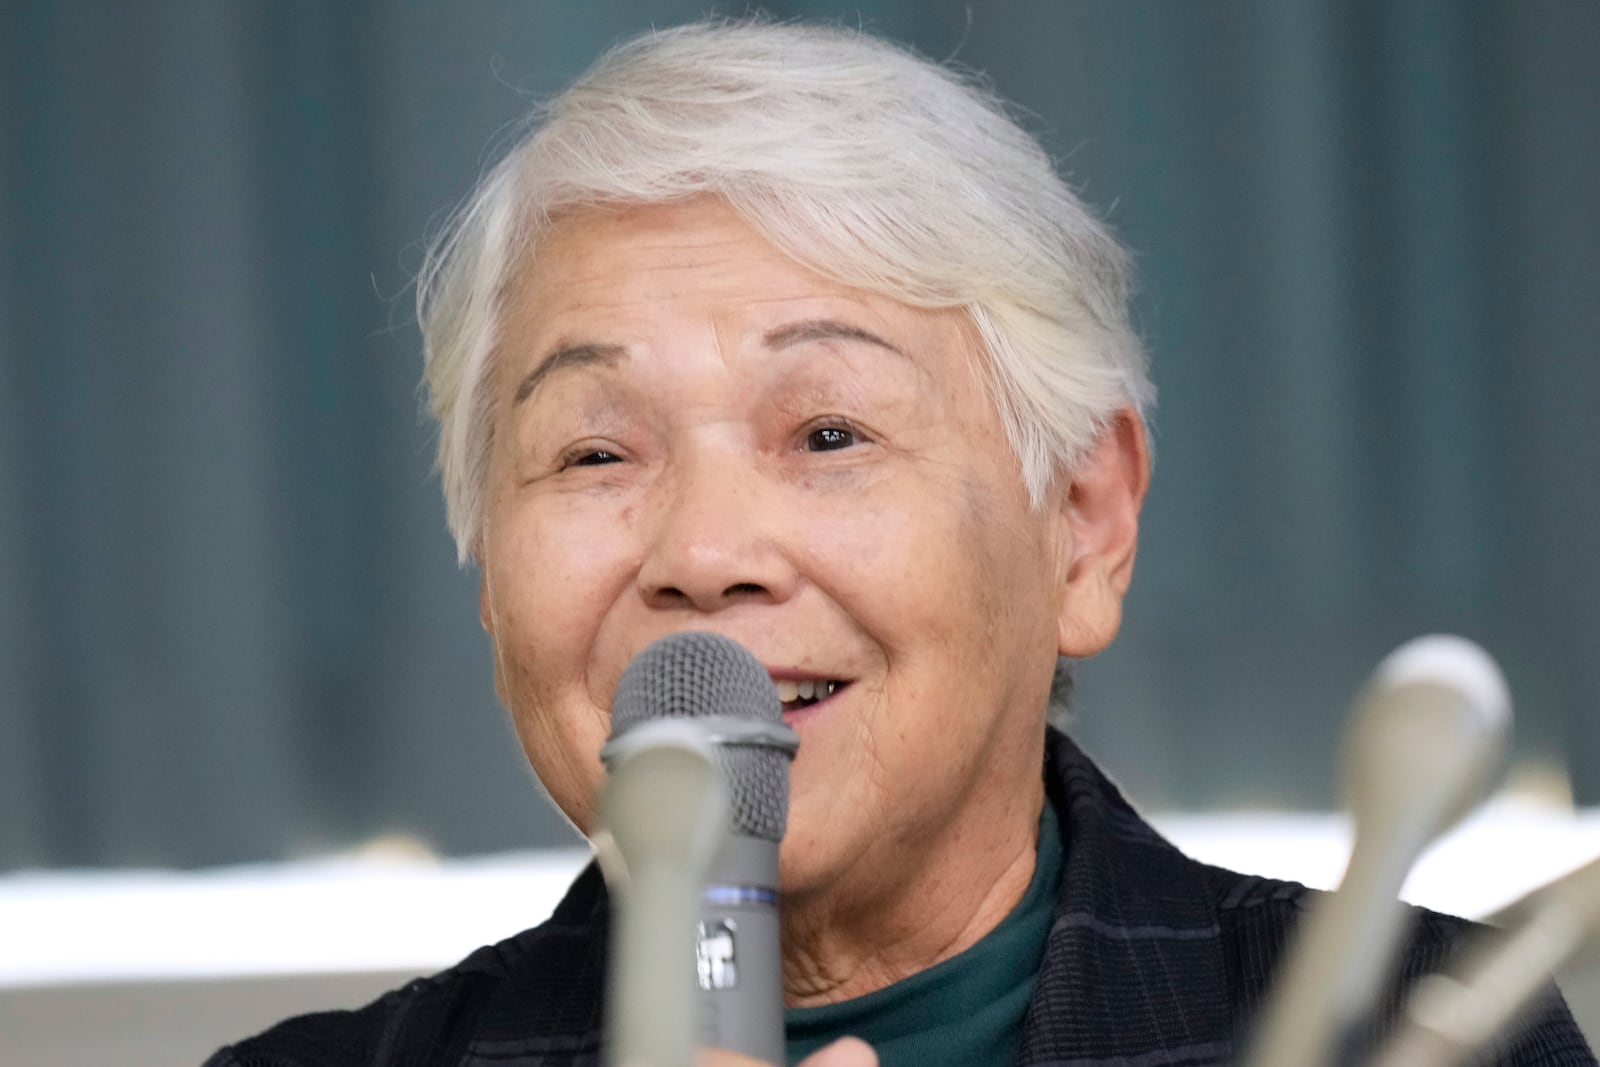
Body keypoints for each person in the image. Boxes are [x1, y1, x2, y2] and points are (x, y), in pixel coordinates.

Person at [208, 19, 1594, 1067]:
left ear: (1084, 526)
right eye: (593, 453)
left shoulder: (1421, 1034)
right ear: (489, 583)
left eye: (827, 435)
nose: (703, 552)